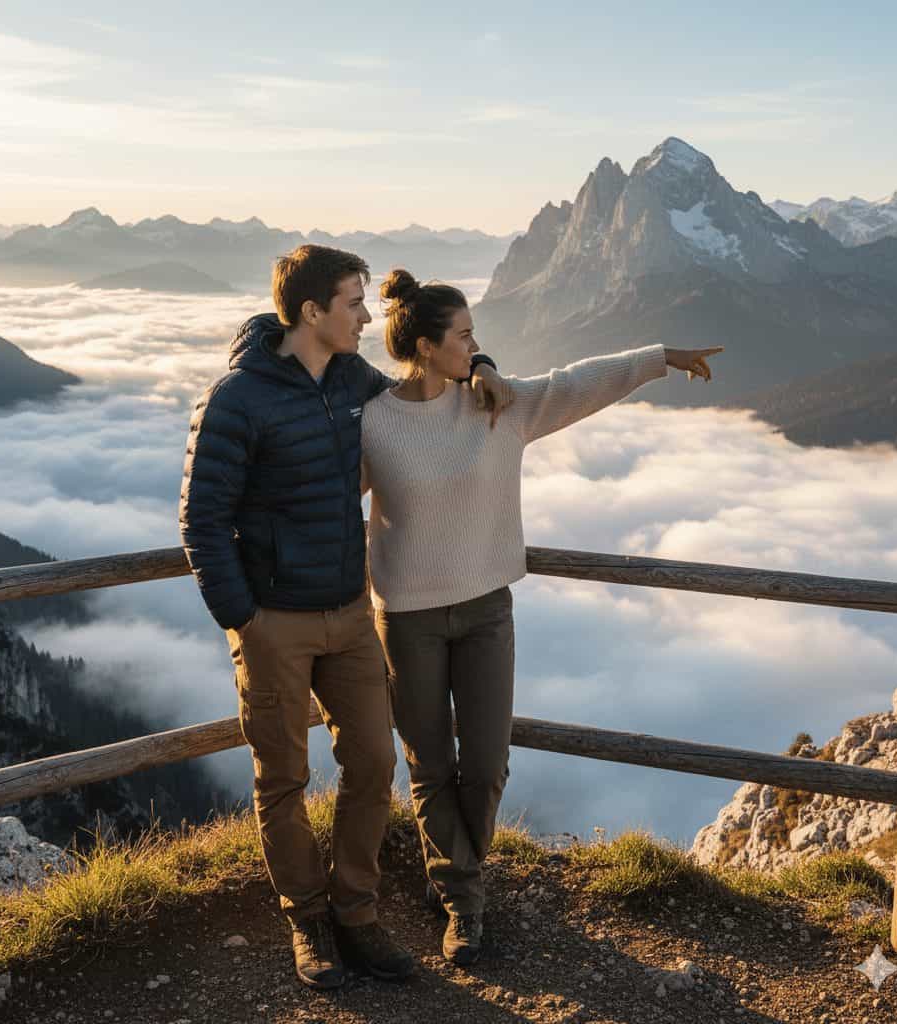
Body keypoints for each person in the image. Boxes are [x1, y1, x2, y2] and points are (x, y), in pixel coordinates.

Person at [361, 268, 722, 966]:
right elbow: (328, 495)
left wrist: (659, 359)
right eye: (465, 334)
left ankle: (459, 879)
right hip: (405, 616)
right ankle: (465, 902)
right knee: (430, 764)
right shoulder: (375, 420)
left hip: (487, 608)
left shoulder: (500, 403)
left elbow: (576, 381)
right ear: (428, 346)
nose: (477, 344)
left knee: (487, 764)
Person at [178, 245, 511, 990]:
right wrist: (247, 620)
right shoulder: (235, 399)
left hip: (351, 615)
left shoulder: (355, 383)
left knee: (374, 763)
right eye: (354, 303)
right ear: (311, 313)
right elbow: (201, 521)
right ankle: (309, 922)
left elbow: (425, 374)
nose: (367, 317)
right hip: (274, 622)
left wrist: (481, 363)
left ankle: (357, 914)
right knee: (284, 778)